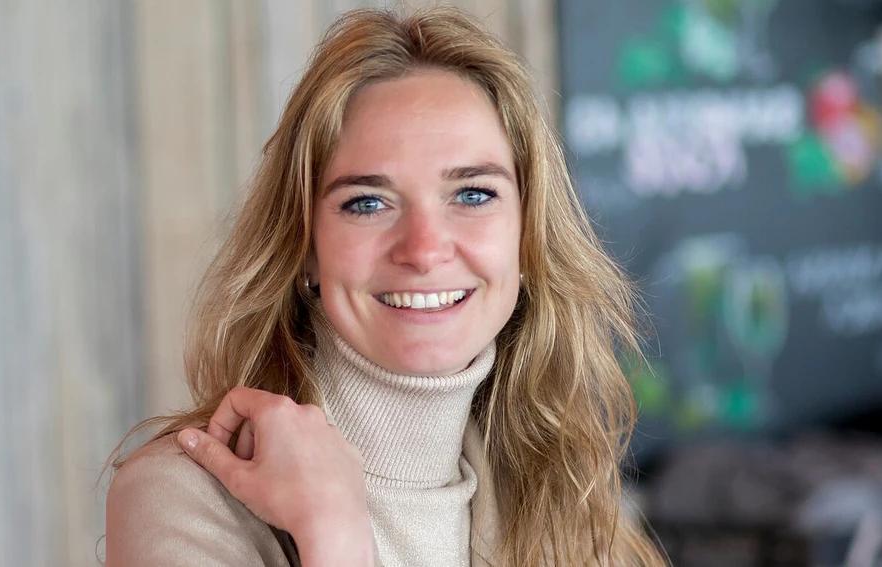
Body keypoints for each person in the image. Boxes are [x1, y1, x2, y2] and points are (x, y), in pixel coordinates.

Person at [104, 6, 666, 567]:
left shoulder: (571, 504)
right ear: (306, 248)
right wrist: (335, 535)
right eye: (367, 202)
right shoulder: (181, 500)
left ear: (528, 237)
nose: (423, 250)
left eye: (472, 194)